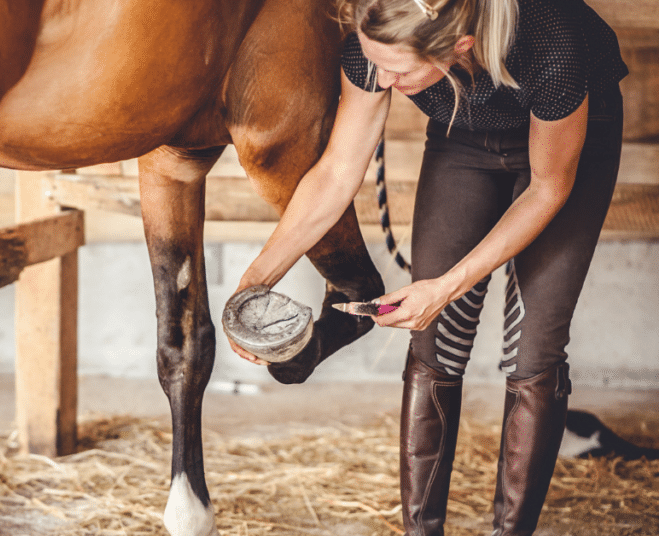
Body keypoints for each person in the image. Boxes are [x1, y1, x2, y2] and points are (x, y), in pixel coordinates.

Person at [226, 0, 627, 534]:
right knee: (434, 340)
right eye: (377, 66)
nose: (384, 81)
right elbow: (337, 171)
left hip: (567, 149)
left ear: (458, 46)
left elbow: (546, 188)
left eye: (400, 71)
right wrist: (255, 282)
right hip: (463, 136)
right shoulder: (378, 48)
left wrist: (447, 285)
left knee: (533, 347)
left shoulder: (549, 43)